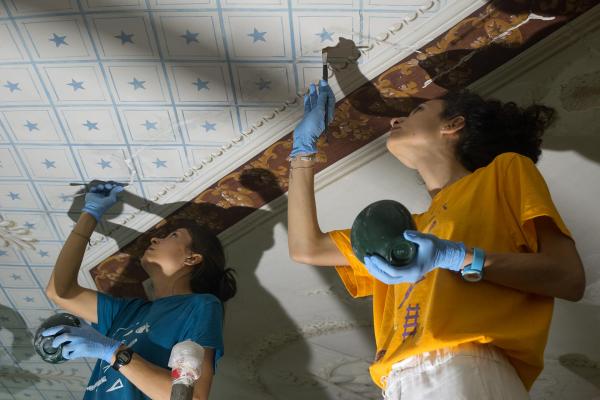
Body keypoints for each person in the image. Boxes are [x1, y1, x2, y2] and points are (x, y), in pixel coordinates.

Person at [287, 81, 586, 399]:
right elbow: (307, 248)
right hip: (397, 383)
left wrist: (455, 257)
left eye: (416, 111)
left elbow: (568, 278)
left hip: (467, 365)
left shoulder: (505, 172)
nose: (395, 120)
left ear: (453, 125)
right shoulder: (409, 228)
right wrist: (302, 151)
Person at [43, 181, 237, 399]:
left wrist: (112, 351)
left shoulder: (201, 305)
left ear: (192, 258)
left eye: (173, 235)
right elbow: (60, 292)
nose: (155, 238)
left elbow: (191, 397)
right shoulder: (129, 311)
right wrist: (90, 214)